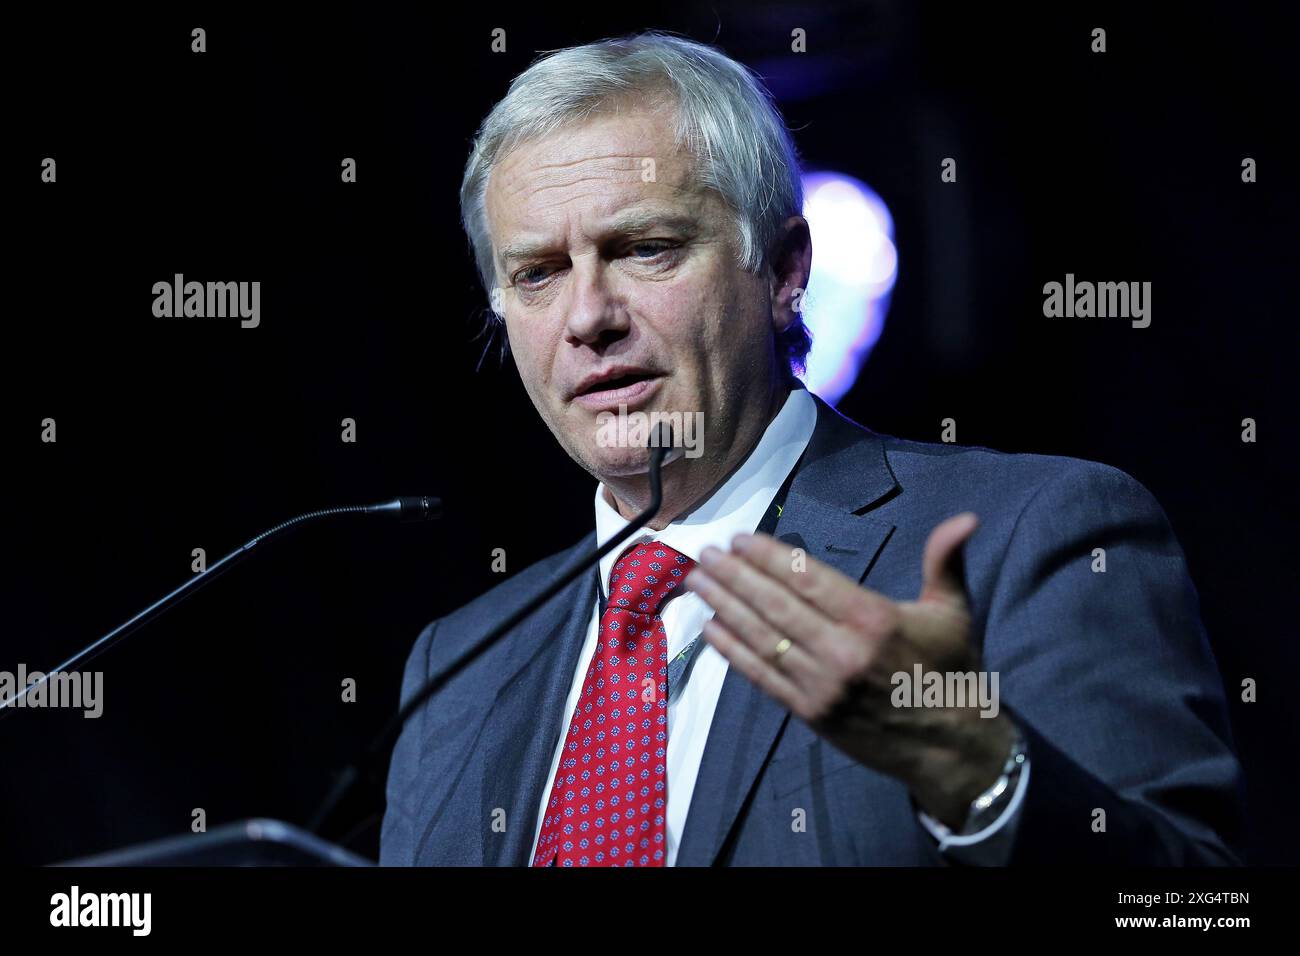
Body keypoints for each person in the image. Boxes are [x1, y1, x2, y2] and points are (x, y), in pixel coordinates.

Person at [379, 31, 1243, 866]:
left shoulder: (1036, 541)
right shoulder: (457, 666)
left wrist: (983, 779)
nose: (587, 318)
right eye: (538, 273)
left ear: (787, 270)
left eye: (645, 250)